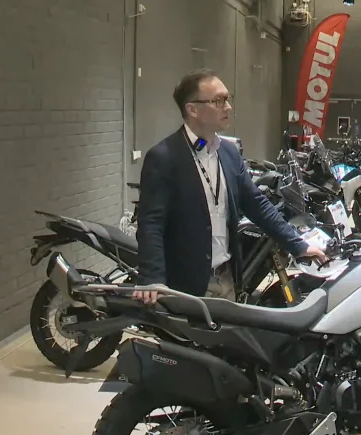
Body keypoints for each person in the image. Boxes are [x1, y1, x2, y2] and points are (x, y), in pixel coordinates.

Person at [133, 68, 327, 304]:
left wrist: (297, 244)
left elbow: (256, 204)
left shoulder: (228, 153)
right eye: (218, 101)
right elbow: (151, 223)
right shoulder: (164, 157)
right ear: (192, 109)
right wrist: (151, 278)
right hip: (185, 285)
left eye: (227, 99)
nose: (228, 107)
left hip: (227, 278)